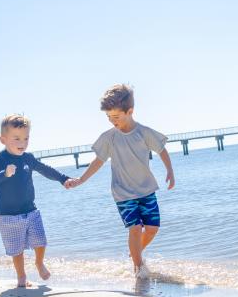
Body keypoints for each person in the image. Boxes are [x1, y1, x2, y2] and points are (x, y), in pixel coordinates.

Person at [66, 84, 175, 280]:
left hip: (146, 190)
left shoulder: (144, 132)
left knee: (152, 229)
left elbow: (161, 150)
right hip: (123, 193)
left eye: (115, 117)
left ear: (130, 111)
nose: (112, 121)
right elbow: (98, 161)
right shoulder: (109, 138)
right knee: (134, 229)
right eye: (109, 117)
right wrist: (81, 179)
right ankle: (139, 268)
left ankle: (135, 253)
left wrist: (170, 170)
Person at [0, 114, 72, 288]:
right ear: (3, 139)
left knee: (40, 240)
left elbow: (45, 169)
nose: (22, 142)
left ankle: (39, 263)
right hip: (7, 216)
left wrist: (63, 178)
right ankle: (21, 277)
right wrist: (4, 174)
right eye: (16, 138)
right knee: (17, 250)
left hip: (30, 210)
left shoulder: (28, 158)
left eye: (26, 138)